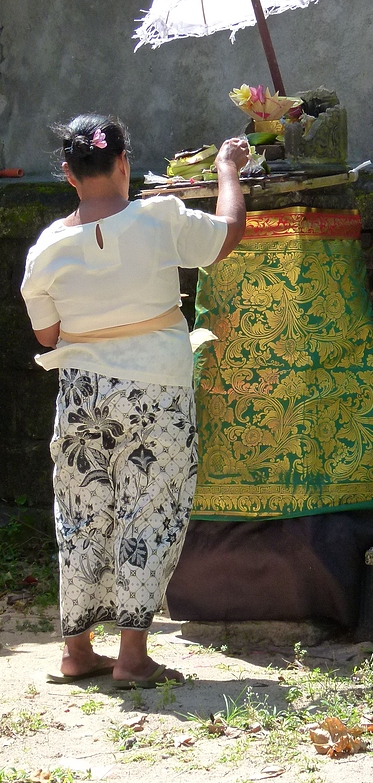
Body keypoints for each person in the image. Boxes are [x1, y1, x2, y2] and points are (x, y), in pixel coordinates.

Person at [21, 114, 248, 687]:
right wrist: (227, 171)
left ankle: (76, 651)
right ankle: (131, 657)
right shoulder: (159, 217)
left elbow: (47, 337)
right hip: (155, 388)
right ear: (125, 163)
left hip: (80, 392)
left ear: (70, 175)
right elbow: (226, 234)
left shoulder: (47, 247)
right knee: (150, 508)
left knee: (80, 514)